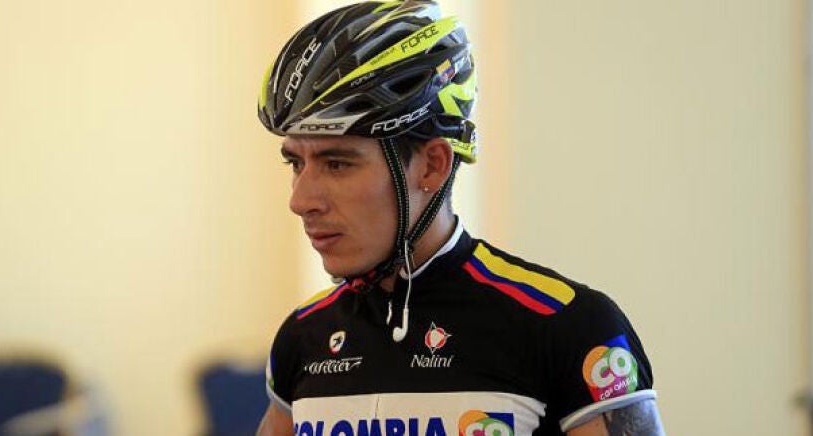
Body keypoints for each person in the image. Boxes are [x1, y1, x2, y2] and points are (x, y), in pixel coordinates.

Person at [255, 1, 664, 435]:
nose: (301, 200)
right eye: (295, 163)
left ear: (432, 165)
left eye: (337, 164)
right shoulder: (303, 336)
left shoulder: (569, 326)